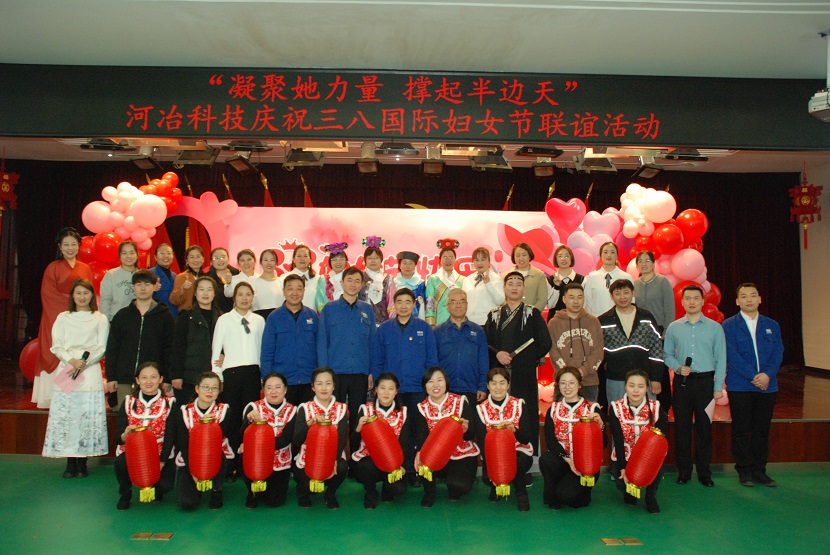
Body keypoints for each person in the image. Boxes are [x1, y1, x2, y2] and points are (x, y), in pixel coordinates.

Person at [42, 278, 109, 479]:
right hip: (67, 369)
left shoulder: (99, 318)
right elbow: (57, 345)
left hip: (89, 370)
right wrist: (71, 361)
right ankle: (70, 462)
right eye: (78, 293)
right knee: (68, 415)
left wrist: (84, 362)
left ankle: (83, 463)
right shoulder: (63, 318)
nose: (82, 297)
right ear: (72, 295)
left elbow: (101, 347)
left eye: (86, 293)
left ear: (92, 296)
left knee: (86, 415)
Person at [371, 287, 437, 483]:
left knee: (418, 431)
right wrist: (378, 387)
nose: (403, 306)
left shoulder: (424, 328)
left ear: (414, 304)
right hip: (393, 393)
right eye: (399, 302)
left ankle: (414, 470)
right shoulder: (384, 329)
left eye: (408, 302)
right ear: (394, 304)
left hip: (417, 389)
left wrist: (431, 387)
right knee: (396, 433)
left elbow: (432, 360)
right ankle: (396, 469)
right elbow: (377, 360)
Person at [664, 284, 726, 488]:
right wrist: (677, 367)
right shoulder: (674, 327)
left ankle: (704, 473)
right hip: (682, 384)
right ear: (682, 302)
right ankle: (684, 472)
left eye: (696, 298)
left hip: (706, 384)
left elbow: (721, 359)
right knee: (682, 429)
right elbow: (666, 355)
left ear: (703, 301)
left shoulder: (715, 328)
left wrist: (718, 387)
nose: (691, 302)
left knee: (704, 429)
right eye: (687, 298)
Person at [723, 283, 784, 487]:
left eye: (753, 295)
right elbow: (732, 355)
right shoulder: (728, 325)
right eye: (744, 296)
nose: (748, 299)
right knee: (740, 430)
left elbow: (778, 352)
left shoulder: (772, 325)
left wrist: (767, 375)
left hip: (767, 386)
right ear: (737, 301)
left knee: (761, 431)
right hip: (740, 386)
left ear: (760, 299)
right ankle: (744, 471)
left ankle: (760, 471)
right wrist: (754, 376)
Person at [485, 271, 553, 452]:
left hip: (524, 372)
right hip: (499, 374)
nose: (514, 287)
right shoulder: (494, 315)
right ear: (504, 288)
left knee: (525, 411)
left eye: (518, 284)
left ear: (524, 289)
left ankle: (527, 454)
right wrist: (498, 354)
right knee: (499, 410)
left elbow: (545, 342)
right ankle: (497, 452)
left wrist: (526, 359)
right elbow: (486, 343)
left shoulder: (532, 313)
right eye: (510, 284)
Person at [211, 281, 265, 480]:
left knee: (249, 419)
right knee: (232, 420)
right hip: (231, 374)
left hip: (253, 373)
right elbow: (216, 350)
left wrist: (263, 377)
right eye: (240, 294)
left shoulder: (259, 320)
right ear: (234, 298)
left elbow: (263, 349)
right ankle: (232, 463)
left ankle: (248, 463)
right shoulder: (224, 319)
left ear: (253, 298)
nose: (244, 298)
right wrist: (217, 376)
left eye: (248, 294)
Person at [34, 227, 93, 407]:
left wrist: (83, 311)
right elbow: (48, 295)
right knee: (58, 349)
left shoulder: (85, 268)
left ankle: (75, 395)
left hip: (80, 318)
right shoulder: (52, 268)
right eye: (66, 244)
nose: (70, 248)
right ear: (59, 247)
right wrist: (72, 307)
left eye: (73, 244)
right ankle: (55, 397)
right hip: (56, 318)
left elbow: (89, 294)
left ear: (79, 246)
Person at [161, 372, 234, 511]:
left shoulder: (224, 410)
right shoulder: (184, 411)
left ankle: (217, 490)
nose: (210, 391)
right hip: (190, 457)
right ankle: (196, 486)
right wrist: (194, 471)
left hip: (214, 456)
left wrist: (208, 427)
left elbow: (218, 439)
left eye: (214, 388)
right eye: (205, 387)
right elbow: (183, 444)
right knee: (187, 503)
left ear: (219, 391)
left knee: (219, 454)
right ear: (197, 389)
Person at [317, 266, 376, 431]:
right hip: (335, 372)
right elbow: (322, 342)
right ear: (342, 283)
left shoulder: (367, 309)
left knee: (358, 415)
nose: (353, 284)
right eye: (349, 280)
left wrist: (372, 371)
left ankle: (355, 446)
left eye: (357, 281)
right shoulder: (329, 309)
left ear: (362, 285)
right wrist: (324, 372)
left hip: (360, 371)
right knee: (335, 415)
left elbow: (372, 343)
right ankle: (337, 446)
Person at [106, 270, 175, 408]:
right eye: (139, 284)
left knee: (153, 416)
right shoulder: (122, 315)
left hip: (153, 380)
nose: (143, 288)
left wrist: (167, 378)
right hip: (124, 379)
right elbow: (113, 348)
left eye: (147, 284)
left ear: (155, 287)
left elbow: (170, 349)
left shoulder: (165, 316)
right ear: (133, 287)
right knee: (125, 416)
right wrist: (111, 377)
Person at [113, 362, 176, 510]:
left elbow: (171, 436)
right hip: (132, 452)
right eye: (144, 377)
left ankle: (156, 488)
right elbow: (117, 438)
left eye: (153, 377)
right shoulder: (128, 402)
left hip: (159, 452)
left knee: (164, 487)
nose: (149, 381)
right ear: (137, 380)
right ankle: (125, 493)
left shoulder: (170, 403)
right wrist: (125, 435)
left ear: (161, 379)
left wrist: (162, 461)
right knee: (121, 462)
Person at [413, 367, 479, 508]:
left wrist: (465, 430)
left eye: (439, 380)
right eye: (430, 382)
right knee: (422, 457)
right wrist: (419, 453)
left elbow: (470, 435)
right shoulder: (421, 407)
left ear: (446, 382)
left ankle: (454, 482)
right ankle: (429, 492)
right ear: (425, 385)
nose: (435, 385)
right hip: (435, 454)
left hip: (460, 452)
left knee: (458, 488)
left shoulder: (461, 401)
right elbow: (421, 437)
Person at [539, 366, 603, 510]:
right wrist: (568, 460)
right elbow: (550, 441)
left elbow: (603, 443)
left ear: (579, 385)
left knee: (568, 497)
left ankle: (582, 492)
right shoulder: (553, 409)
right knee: (546, 460)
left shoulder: (592, 408)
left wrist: (601, 426)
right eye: (563, 383)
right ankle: (554, 492)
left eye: (572, 383)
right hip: (565, 460)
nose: (567, 387)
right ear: (558, 386)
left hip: (586, 464)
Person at [474, 367, 535, 511]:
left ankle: (521, 493)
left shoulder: (519, 404)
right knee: (487, 477)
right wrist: (493, 468)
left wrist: (514, 430)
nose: (498, 387)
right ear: (488, 386)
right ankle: (495, 487)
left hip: (519, 453)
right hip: (493, 455)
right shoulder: (480, 409)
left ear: (508, 385)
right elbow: (483, 442)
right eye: (493, 383)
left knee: (515, 460)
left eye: (502, 383)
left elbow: (526, 438)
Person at [609, 369, 667, 514]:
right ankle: (629, 491)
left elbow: (660, 440)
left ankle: (650, 497)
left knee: (657, 465)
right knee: (622, 484)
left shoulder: (656, 407)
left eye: (641, 386)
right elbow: (618, 440)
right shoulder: (615, 407)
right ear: (625, 387)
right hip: (625, 455)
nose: (636, 390)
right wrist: (622, 467)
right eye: (631, 385)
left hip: (648, 457)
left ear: (647, 388)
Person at [599, 279, 664, 406]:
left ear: (633, 293)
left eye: (626, 292)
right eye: (617, 293)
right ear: (611, 296)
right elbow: (598, 350)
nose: (622, 297)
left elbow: (656, 349)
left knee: (646, 415)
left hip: (644, 379)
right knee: (617, 414)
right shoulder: (604, 321)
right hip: (616, 379)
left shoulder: (646, 317)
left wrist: (656, 378)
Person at [292, 367, 349, 509]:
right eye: (319, 384)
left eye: (328, 383)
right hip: (308, 457)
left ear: (334, 386)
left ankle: (330, 494)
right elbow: (297, 440)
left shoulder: (341, 408)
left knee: (342, 467)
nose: (324, 388)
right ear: (313, 387)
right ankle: (302, 492)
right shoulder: (304, 408)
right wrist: (309, 424)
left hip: (332, 455)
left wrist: (333, 461)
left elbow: (341, 438)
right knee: (308, 487)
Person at [351, 373, 410, 509]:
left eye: (391, 388)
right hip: (370, 460)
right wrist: (359, 427)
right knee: (364, 467)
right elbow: (354, 442)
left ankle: (387, 488)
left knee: (399, 489)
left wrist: (401, 466)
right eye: (382, 388)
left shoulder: (403, 412)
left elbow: (404, 443)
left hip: (392, 461)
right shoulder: (365, 410)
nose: (386, 392)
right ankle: (370, 492)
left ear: (396, 391)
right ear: (376, 390)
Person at [240, 372, 297, 509]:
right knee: (243, 451)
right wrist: (249, 421)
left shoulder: (293, 410)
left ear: (285, 389)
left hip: (280, 461)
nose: (273, 391)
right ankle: (252, 491)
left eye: (278, 387)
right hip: (256, 460)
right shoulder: (253, 407)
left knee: (274, 501)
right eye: (269, 387)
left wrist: (260, 443)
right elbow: (242, 434)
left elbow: (285, 440)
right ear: (263, 390)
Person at [260, 274, 319, 406]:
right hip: (282, 382)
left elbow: (319, 348)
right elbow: (267, 351)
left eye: (299, 289)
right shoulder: (274, 317)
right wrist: (267, 380)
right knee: (285, 418)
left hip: (308, 380)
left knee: (308, 417)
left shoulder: (312, 316)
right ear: (284, 291)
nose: (295, 293)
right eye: (290, 289)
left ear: (304, 291)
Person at [632, 250, 676, 411]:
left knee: (659, 368)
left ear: (653, 264)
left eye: (647, 260)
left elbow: (669, 308)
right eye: (640, 261)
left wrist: (667, 331)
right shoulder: (634, 284)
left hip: (659, 331)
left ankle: (663, 406)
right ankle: (644, 405)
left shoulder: (662, 282)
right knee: (642, 367)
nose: (644, 264)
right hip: (640, 332)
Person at [170, 275, 222, 407]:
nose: (205, 293)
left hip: (214, 378)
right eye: (201, 289)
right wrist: (176, 375)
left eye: (209, 290)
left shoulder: (222, 318)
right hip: (189, 378)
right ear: (195, 293)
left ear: (214, 293)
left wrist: (224, 354)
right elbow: (177, 346)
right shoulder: (186, 316)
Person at [548, 283, 604, 402]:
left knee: (589, 413)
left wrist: (582, 371)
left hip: (589, 382)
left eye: (579, 297)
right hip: (564, 383)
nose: (576, 301)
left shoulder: (593, 321)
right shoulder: (554, 323)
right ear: (564, 299)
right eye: (571, 297)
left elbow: (598, 352)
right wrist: (569, 374)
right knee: (561, 413)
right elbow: (553, 351)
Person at [434, 288, 490, 406]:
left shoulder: (478, 331)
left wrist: (482, 386)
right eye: (453, 302)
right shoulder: (438, 332)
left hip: (472, 389)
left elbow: (483, 361)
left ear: (467, 305)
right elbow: (433, 362)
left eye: (462, 301)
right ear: (447, 306)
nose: (458, 305)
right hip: (445, 390)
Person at [584, 242, 633, 317]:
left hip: (620, 319)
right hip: (597, 319)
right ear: (600, 255)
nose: (609, 255)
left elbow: (631, 302)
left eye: (612, 252)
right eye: (605, 252)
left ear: (617, 256)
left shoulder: (626, 277)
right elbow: (587, 302)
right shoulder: (591, 277)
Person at [425, 238, 464, 327]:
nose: (448, 260)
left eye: (451, 257)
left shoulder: (462, 280)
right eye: (445, 257)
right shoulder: (433, 279)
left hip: (458, 322)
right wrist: (431, 324)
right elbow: (430, 302)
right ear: (440, 260)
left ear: (455, 259)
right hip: (439, 322)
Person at [461, 246, 504, 325]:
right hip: (469, 322)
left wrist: (488, 283)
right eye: (476, 260)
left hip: (487, 323)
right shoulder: (467, 279)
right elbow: (463, 301)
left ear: (489, 261)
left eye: (483, 260)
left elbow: (500, 301)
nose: (479, 263)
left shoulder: (496, 279)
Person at [359, 236, 394, 325]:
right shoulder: (359, 277)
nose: (373, 261)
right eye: (370, 258)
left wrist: (392, 324)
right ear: (365, 260)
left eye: (376, 258)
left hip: (382, 323)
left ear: (381, 260)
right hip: (361, 322)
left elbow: (391, 304)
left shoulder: (388, 279)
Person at [99, 240, 138, 321]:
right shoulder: (111, 274)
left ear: (137, 255)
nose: (128, 256)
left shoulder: (142, 274)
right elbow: (105, 300)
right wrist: (106, 321)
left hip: (137, 318)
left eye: (132, 253)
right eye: (124, 253)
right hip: (116, 319)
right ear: (119, 256)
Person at [506, 242, 548, 312]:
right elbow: (503, 299)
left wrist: (531, 314)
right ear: (514, 258)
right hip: (510, 315)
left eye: (524, 255)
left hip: (532, 316)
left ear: (529, 256)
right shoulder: (506, 276)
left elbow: (542, 300)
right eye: (518, 255)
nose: (521, 258)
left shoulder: (539, 275)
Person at [546, 245, 584, 319]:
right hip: (555, 320)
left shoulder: (581, 279)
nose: (563, 259)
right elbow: (550, 305)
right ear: (556, 259)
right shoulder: (549, 280)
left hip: (576, 319)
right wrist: (556, 287)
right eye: (560, 256)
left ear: (571, 258)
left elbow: (585, 304)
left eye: (566, 256)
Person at [169, 245, 206, 312]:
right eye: (191, 257)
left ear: (203, 259)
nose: (195, 260)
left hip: (205, 314)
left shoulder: (207, 277)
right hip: (187, 314)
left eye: (198, 257)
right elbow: (174, 300)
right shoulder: (182, 277)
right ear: (187, 261)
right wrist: (182, 289)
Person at [391, 251, 426, 320]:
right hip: (396, 319)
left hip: (417, 320)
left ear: (415, 265)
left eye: (411, 263)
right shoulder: (393, 283)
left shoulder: (420, 283)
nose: (407, 266)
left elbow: (424, 304)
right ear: (399, 265)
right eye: (404, 263)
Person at [250, 248, 284, 319]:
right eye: (265, 260)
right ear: (261, 262)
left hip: (279, 319)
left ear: (276, 263)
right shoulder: (253, 282)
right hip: (258, 319)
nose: (269, 263)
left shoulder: (282, 282)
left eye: (272, 260)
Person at [285, 244, 320, 312]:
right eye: (299, 256)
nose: (302, 259)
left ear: (310, 259)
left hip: (312, 316)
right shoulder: (284, 278)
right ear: (293, 259)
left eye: (305, 256)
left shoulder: (318, 279)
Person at [315, 242, 349, 311]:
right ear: (330, 262)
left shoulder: (350, 279)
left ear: (346, 261)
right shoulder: (323, 280)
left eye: (341, 259)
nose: (338, 262)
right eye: (334, 259)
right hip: (329, 315)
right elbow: (320, 301)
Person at [150, 243, 179, 318]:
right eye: (161, 253)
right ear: (155, 257)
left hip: (173, 316)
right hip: (156, 316)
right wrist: (152, 289)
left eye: (169, 253)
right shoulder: (149, 273)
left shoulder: (175, 276)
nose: (166, 256)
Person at [205, 247, 238, 313]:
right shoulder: (207, 278)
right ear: (211, 261)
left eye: (223, 257)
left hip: (236, 313)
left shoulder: (237, 274)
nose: (220, 260)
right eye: (216, 258)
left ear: (228, 258)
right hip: (215, 314)